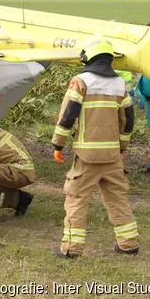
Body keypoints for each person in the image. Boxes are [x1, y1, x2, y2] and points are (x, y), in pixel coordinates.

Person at [51, 35, 138, 258]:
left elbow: (68, 115)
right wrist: (122, 149)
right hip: (112, 156)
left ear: (88, 56)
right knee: (117, 198)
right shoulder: (120, 84)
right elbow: (128, 120)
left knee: (77, 199)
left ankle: (71, 248)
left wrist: (58, 144)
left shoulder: (81, 81)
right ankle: (128, 244)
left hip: (87, 156)